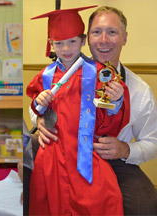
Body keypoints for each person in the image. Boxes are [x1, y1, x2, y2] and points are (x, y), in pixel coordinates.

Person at [35, 6, 157, 214]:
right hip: (66, 150)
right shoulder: (63, 73)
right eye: (96, 32)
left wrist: (125, 149)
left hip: (115, 160)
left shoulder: (139, 90)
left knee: (144, 204)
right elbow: (42, 99)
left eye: (112, 32)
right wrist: (42, 118)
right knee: (33, 178)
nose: (103, 40)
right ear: (87, 39)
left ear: (124, 38)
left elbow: (153, 142)